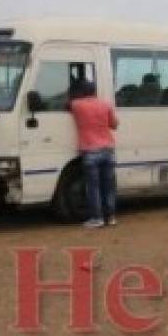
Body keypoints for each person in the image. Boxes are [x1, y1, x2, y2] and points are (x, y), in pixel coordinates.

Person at [67, 79, 120, 229]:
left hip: (90, 151)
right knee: (108, 186)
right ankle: (110, 217)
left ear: (81, 93)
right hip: (108, 149)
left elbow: (65, 104)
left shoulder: (77, 105)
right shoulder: (105, 104)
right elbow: (114, 125)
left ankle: (97, 218)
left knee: (93, 187)